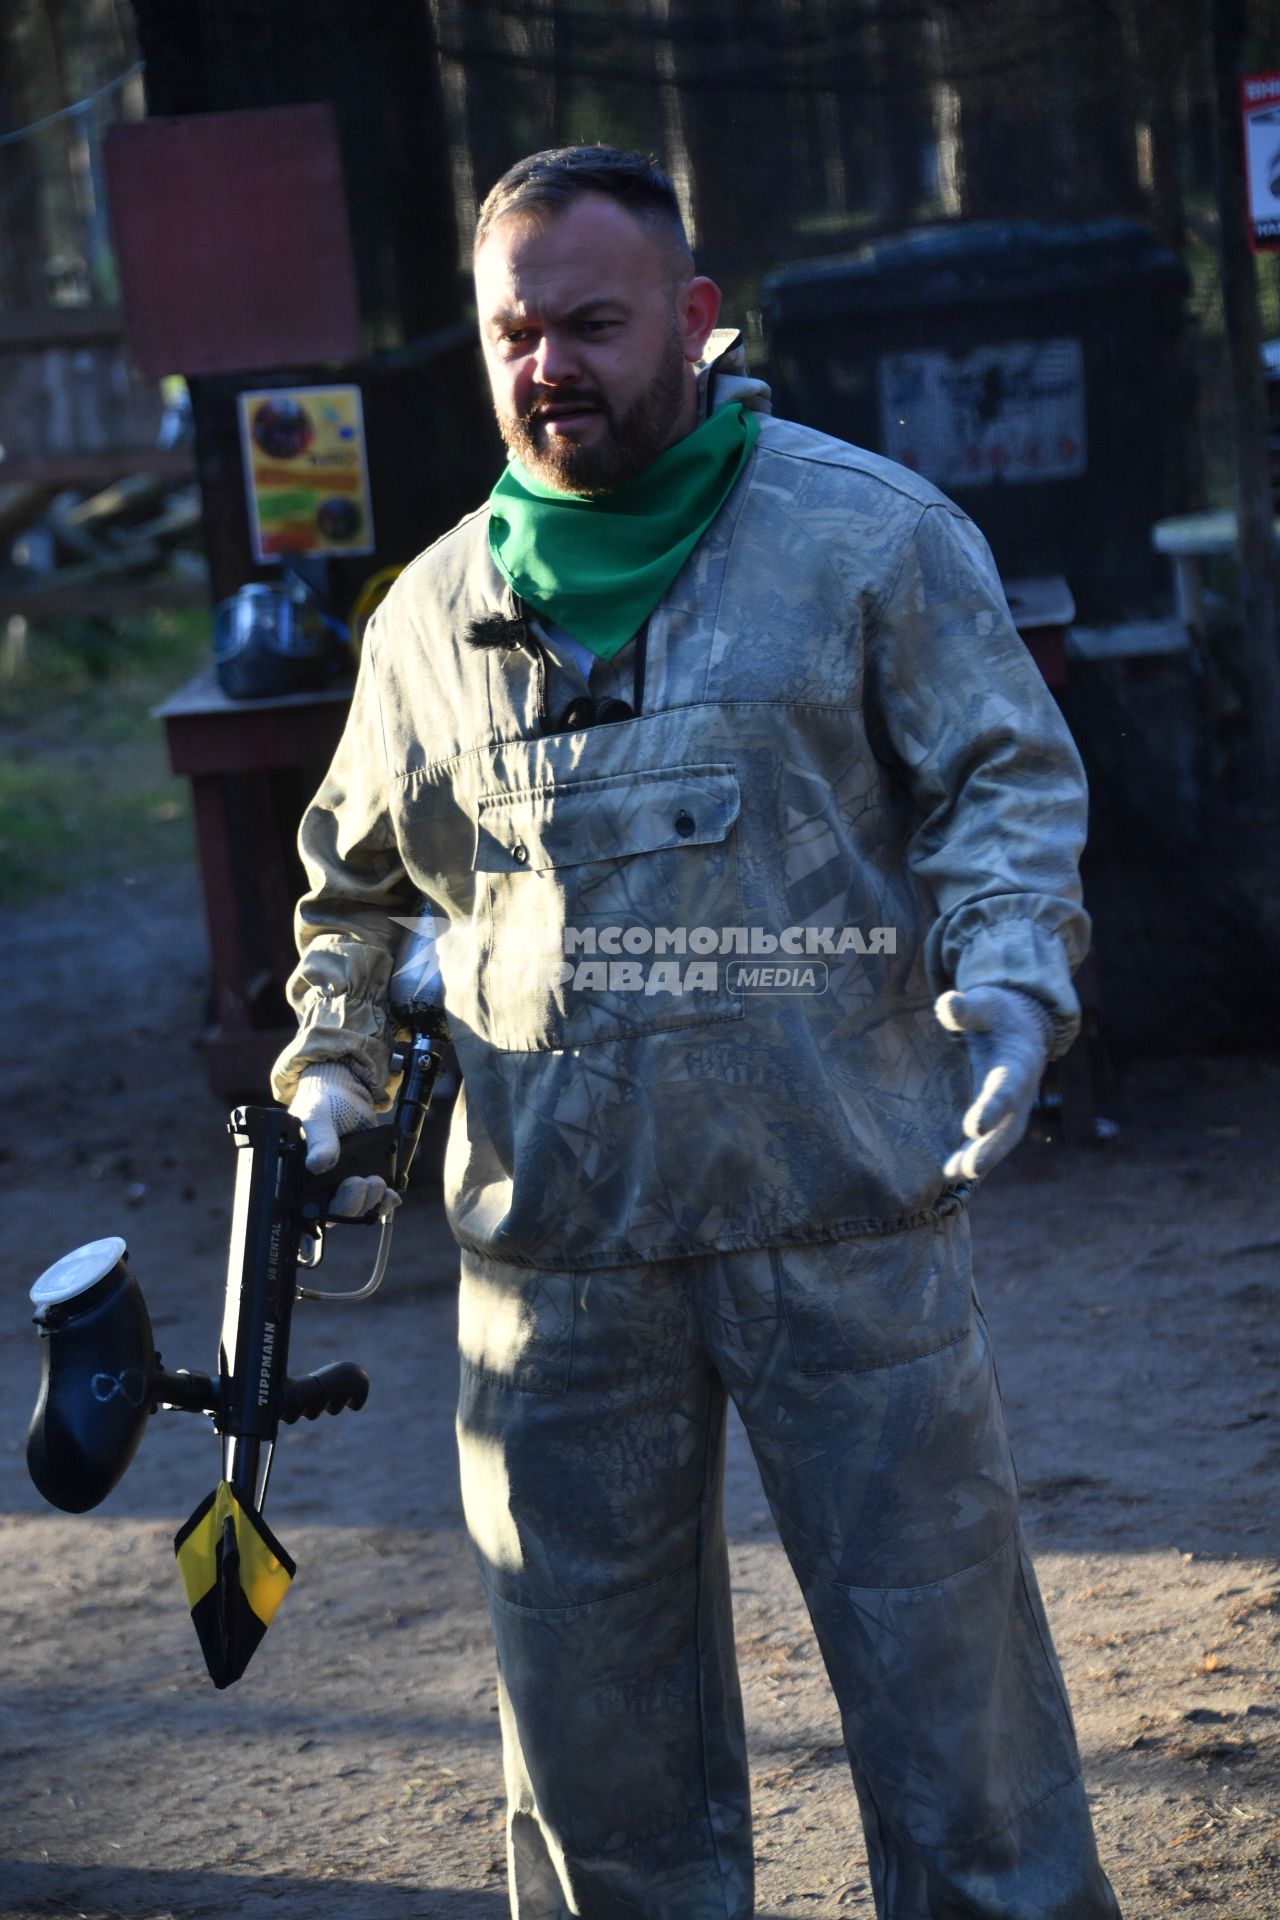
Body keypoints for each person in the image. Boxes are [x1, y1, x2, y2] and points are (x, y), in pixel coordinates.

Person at [272, 146, 1121, 1920]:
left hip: (847, 1219)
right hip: (555, 1266)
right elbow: (349, 889)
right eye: (517, 331)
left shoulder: (868, 539)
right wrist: (335, 1064)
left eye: (591, 321)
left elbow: (1003, 782)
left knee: (954, 1717)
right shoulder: (428, 621)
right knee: (594, 1763)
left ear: (696, 318)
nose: (548, 365)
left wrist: (1017, 973)